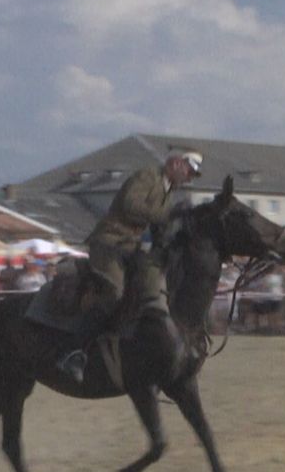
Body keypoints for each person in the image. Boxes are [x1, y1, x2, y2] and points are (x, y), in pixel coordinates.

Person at [56, 151, 203, 382]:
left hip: (130, 248)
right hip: (109, 243)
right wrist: (170, 214)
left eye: (193, 175)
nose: (190, 178)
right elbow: (130, 205)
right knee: (114, 293)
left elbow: (158, 226)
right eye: (189, 171)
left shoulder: (168, 191)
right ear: (175, 163)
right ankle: (73, 352)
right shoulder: (147, 176)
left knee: (156, 288)